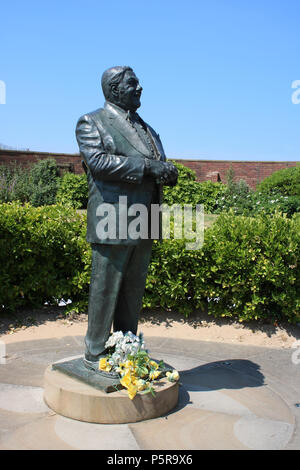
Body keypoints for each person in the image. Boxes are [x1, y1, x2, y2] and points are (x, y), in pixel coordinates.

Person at [76, 66, 177, 371]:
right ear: (115, 89)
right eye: (133, 83)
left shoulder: (148, 129)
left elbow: (156, 164)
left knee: (132, 292)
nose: (140, 88)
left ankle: (125, 348)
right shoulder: (92, 122)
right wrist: (148, 168)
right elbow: (98, 162)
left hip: (145, 220)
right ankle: (94, 352)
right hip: (112, 219)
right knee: (105, 290)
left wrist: (167, 171)